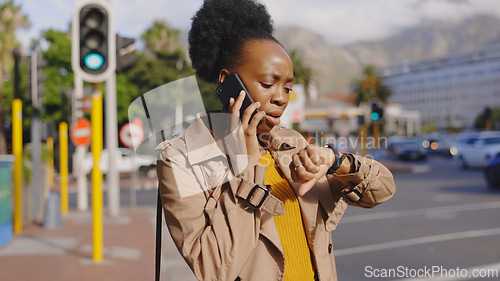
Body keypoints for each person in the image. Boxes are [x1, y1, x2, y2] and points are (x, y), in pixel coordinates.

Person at [156, 0, 396, 280]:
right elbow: (213, 268)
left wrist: (335, 162)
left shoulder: (290, 142)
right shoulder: (181, 158)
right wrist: (246, 169)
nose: (281, 97)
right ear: (228, 81)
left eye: (288, 87)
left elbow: (382, 191)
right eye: (268, 84)